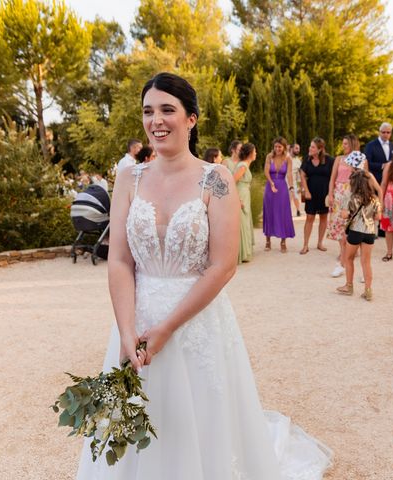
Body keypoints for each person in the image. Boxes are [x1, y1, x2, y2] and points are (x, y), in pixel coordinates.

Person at [76, 72, 332, 479]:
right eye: (147, 111)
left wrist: (166, 328)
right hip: (135, 316)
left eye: (167, 110)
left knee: (197, 419)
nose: (155, 120)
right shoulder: (129, 178)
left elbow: (223, 265)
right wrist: (127, 330)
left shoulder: (216, 179)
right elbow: (121, 260)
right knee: (136, 417)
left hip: (195, 321)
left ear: (191, 119)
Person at [336, 170, 382, 300]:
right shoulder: (374, 198)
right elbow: (378, 216)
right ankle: (368, 290)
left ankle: (349, 286)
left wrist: (346, 213)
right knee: (366, 262)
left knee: (349, 259)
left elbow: (344, 215)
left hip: (355, 231)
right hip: (369, 232)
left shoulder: (350, 196)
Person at [326, 135, 362, 277]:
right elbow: (332, 178)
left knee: (350, 226)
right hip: (338, 195)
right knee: (339, 226)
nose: (343, 145)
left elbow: (363, 178)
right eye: (343, 143)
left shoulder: (360, 159)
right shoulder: (338, 159)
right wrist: (330, 194)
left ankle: (345, 259)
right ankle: (343, 255)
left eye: (346, 143)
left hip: (352, 195)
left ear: (353, 144)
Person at [299, 137, 334, 254]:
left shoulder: (329, 160)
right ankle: (305, 245)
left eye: (313, 147)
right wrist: (306, 191)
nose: (310, 148)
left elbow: (334, 176)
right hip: (311, 193)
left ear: (319, 149)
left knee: (324, 217)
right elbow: (302, 175)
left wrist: (331, 193)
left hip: (325, 193)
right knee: (309, 218)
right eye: (310, 146)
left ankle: (320, 243)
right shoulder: (307, 160)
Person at [262, 137, 295, 252]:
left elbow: (289, 174)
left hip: (282, 188)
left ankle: (283, 242)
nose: (277, 149)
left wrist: (291, 188)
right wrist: (271, 183)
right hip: (270, 188)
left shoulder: (288, 159)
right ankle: (268, 241)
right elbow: (266, 171)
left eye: (280, 147)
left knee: (283, 213)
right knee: (269, 212)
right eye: (276, 146)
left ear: (284, 147)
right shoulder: (269, 157)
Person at [364, 123, 393, 238]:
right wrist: (382, 166)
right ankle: (370, 230)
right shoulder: (371, 145)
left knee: (386, 204)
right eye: (383, 132)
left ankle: (382, 229)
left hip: (390, 181)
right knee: (373, 204)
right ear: (379, 132)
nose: (386, 134)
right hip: (375, 179)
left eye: (388, 132)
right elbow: (367, 162)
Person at [234, 143, 256, 263]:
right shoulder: (242, 166)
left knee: (245, 222)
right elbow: (233, 181)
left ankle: (245, 253)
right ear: (250, 153)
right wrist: (238, 199)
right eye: (255, 151)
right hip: (241, 195)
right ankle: (240, 254)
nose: (256, 154)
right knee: (242, 223)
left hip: (245, 194)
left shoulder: (245, 165)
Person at [289, 143, 303, 217]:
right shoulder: (285, 157)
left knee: (296, 197)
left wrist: (301, 186)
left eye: (299, 149)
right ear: (291, 148)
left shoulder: (298, 161)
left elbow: (299, 175)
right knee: (286, 198)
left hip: (293, 182)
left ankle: (298, 210)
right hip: (284, 181)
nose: (298, 150)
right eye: (296, 148)